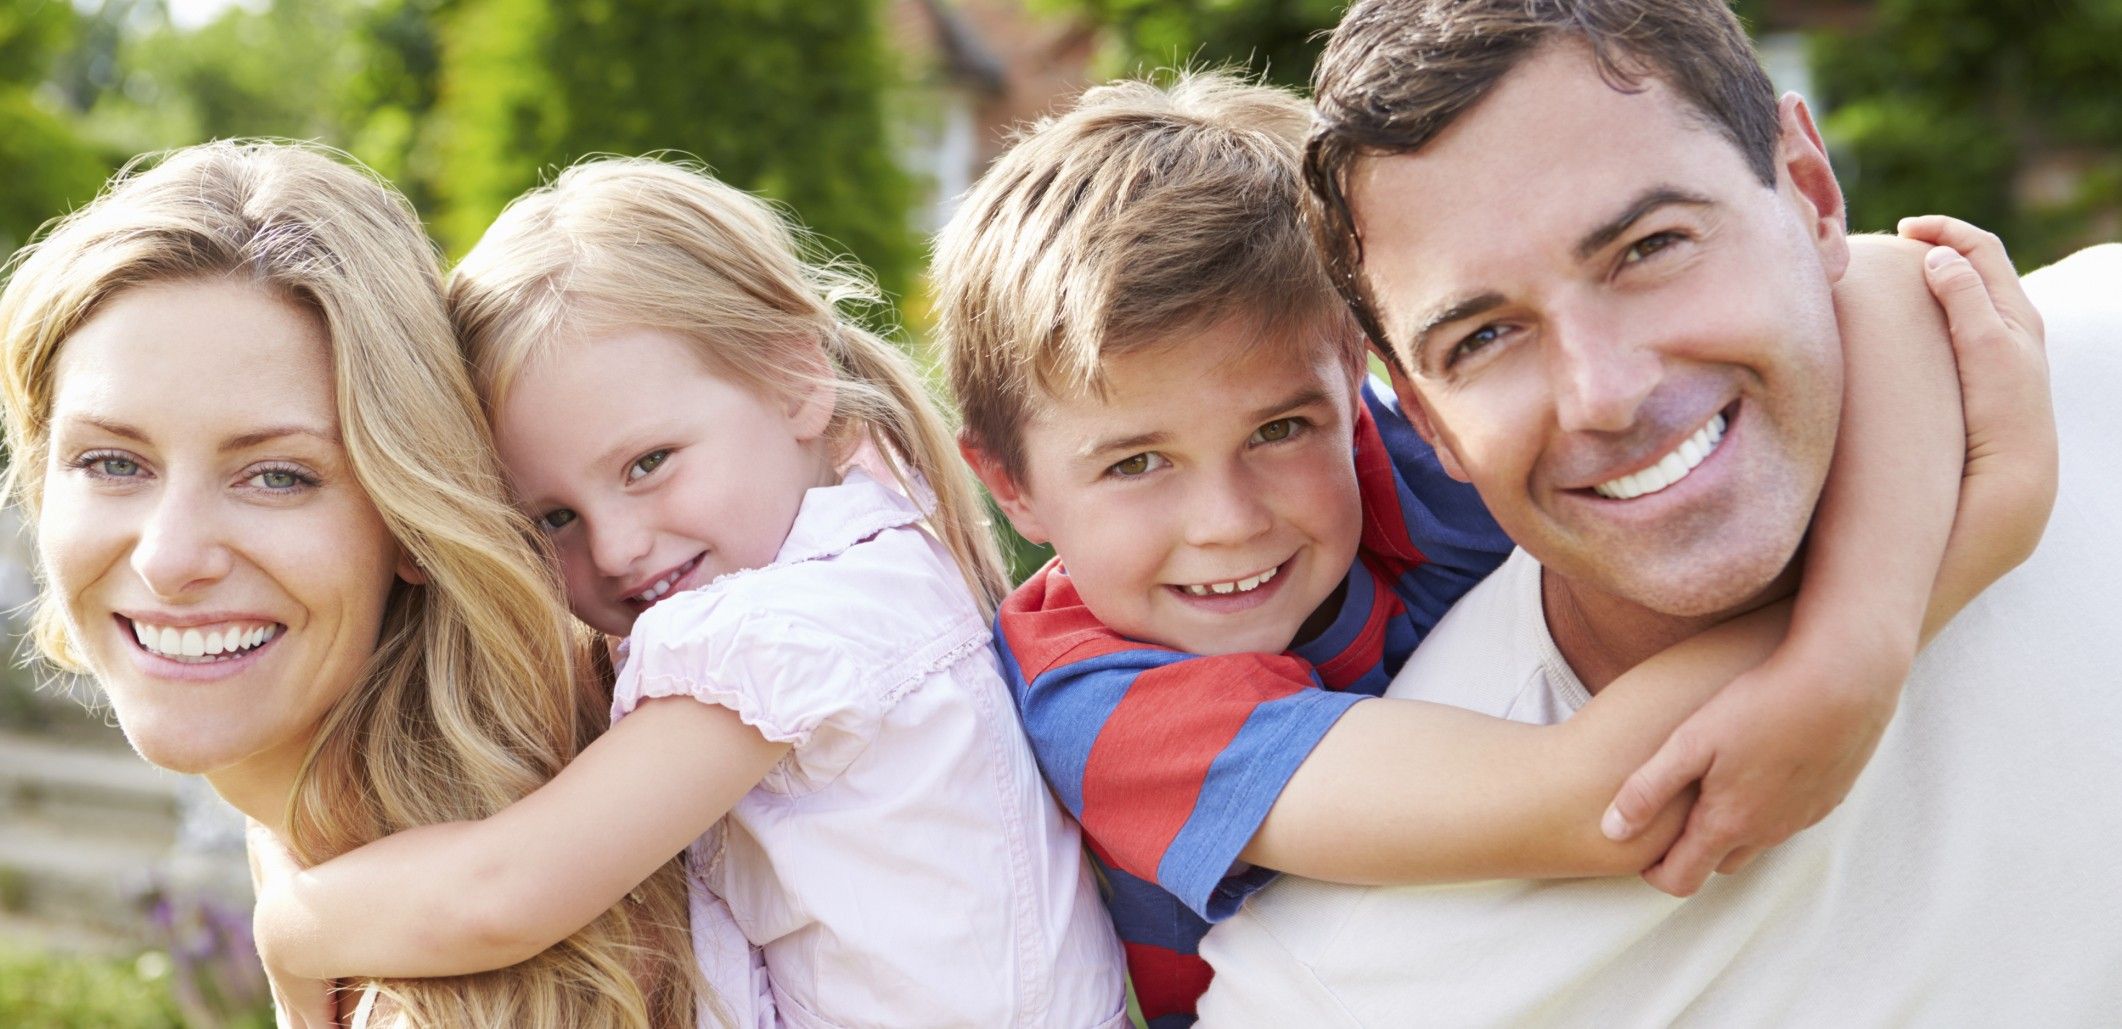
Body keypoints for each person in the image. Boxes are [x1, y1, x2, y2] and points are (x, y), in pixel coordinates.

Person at [931, 72, 2020, 1027]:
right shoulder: (1107, 705)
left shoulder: (1394, 460)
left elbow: (1867, 275)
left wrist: (1861, 628)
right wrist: (1933, 574)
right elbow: (1601, 799)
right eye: (1135, 464)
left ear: (1361, 381)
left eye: (1279, 430)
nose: (1229, 518)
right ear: (1012, 485)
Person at [1197, 0, 2122, 1022]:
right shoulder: (1347, 984)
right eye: (1484, 337)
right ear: (1427, 419)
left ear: (1811, 196)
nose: (1606, 392)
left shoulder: (2100, 374)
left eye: (1649, 247)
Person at [246, 157, 1128, 1028]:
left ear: (797, 381)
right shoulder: (876, 544)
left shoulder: (779, 636)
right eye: (552, 518)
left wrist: (289, 927)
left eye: (648, 463)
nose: (619, 546)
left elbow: (502, 894)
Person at [0, 140, 700, 1026]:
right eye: (111, 461)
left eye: (279, 475)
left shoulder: (479, 968)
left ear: (412, 519)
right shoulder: (311, 845)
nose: (169, 558)